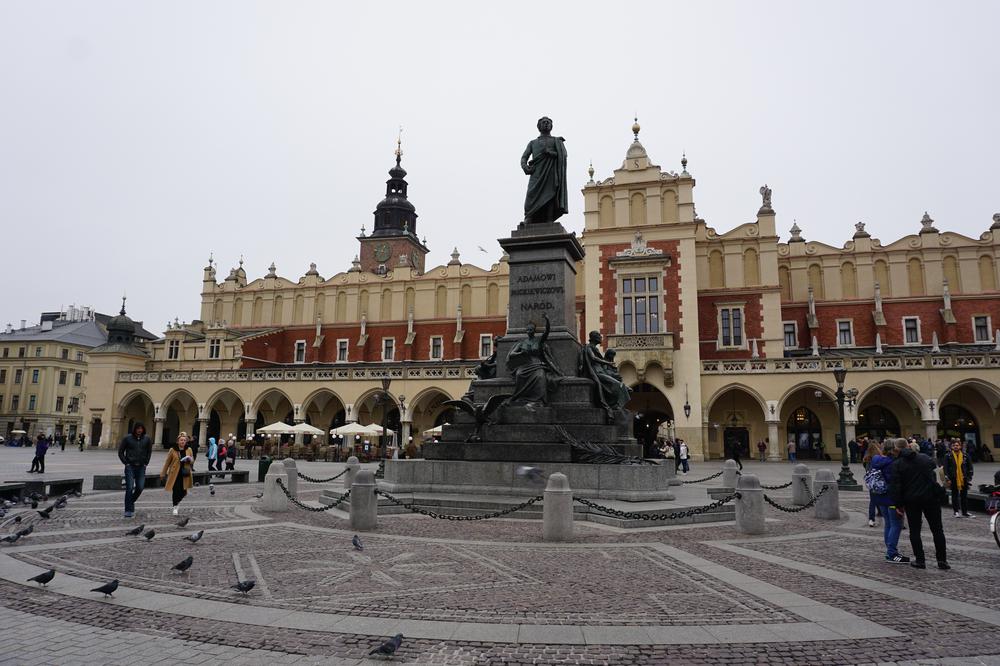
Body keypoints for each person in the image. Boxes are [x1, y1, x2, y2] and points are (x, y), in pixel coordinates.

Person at [889, 437, 949, 570]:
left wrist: (898, 505)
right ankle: (942, 561)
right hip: (931, 499)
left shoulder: (897, 464)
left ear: (897, 449)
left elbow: (896, 487)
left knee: (915, 531)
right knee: (938, 530)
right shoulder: (926, 458)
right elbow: (938, 478)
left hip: (912, 501)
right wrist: (941, 493)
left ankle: (920, 560)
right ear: (909, 446)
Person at [520, 116, 568, 225]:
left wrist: (550, 153)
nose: (546, 124)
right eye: (543, 122)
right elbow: (524, 157)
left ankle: (549, 219)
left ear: (551, 126)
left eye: (548, 122)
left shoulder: (556, 141)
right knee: (530, 195)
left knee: (550, 195)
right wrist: (524, 166)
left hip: (551, 172)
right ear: (539, 126)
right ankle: (528, 218)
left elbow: (563, 156)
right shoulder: (533, 143)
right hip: (536, 173)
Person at [867, 441, 908, 563]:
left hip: (879, 497)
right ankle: (892, 553)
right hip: (891, 497)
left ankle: (889, 551)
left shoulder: (876, 460)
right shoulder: (892, 463)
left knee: (888, 524)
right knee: (896, 524)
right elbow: (895, 483)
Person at [117, 422, 152, 518]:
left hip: (141, 467)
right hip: (130, 467)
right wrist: (126, 463)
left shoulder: (147, 439)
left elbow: (149, 452)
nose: (139, 430)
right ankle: (128, 510)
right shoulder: (127, 438)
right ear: (134, 429)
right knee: (129, 487)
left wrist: (146, 463)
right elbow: (120, 452)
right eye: (138, 428)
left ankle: (130, 501)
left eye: (141, 428)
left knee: (140, 487)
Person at [160, 432, 194, 516]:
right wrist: (163, 473)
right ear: (177, 441)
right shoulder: (173, 450)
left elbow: (192, 460)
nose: (183, 441)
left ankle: (177, 502)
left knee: (183, 492)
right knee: (176, 490)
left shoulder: (189, 449)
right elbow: (167, 462)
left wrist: (189, 460)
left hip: (185, 473)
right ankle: (175, 506)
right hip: (175, 474)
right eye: (181, 440)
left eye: (184, 440)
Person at [943, 439, 973, 518]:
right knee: (954, 495)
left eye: (957, 445)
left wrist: (969, 476)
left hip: (964, 478)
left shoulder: (965, 455)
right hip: (953, 478)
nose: (955, 447)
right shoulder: (948, 456)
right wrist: (947, 478)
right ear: (951, 447)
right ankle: (956, 511)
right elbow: (945, 468)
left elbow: (970, 466)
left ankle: (965, 512)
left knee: (964, 496)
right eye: (954, 445)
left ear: (960, 446)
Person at [862, 441, 883, 527]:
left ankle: (871, 519)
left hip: (871, 481)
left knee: (873, 501)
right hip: (880, 481)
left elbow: (866, 468)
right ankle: (884, 513)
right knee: (883, 498)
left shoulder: (867, 458)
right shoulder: (880, 457)